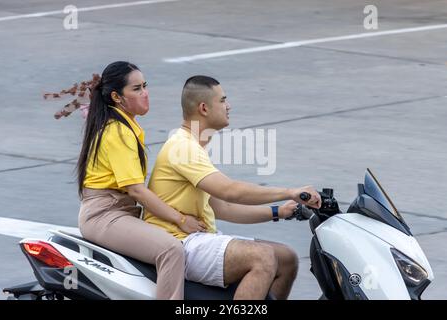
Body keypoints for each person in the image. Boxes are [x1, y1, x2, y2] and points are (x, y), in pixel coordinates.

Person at [144, 75, 322, 300]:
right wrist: (289, 192)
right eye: (223, 100)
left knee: (286, 259)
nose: (229, 106)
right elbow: (230, 191)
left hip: (199, 237)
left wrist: (278, 211)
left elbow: (223, 207)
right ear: (204, 108)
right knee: (263, 257)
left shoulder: (193, 146)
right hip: (178, 242)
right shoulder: (184, 147)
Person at [75, 62, 206, 299]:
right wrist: (181, 218)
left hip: (119, 211)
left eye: (145, 86)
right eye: (136, 89)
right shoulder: (117, 131)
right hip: (106, 215)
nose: (145, 93)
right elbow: (136, 190)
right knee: (171, 250)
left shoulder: (126, 123)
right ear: (117, 96)